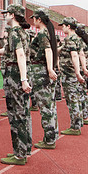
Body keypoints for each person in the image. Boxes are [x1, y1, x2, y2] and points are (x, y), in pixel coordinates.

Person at [0, 4, 32, 166]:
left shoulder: (14, 32)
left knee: (16, 114)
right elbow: (11, 50)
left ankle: (19, 153)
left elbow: (20, 54)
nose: (5, 16)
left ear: (12, 15)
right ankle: (24, 147)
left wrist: (23, 79)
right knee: (23, 112)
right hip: (18, 74)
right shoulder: (22, 32)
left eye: (7, 14)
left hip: (15, 75)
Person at [29, 9, 59, 150]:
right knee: (50, 106)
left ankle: (49, 139)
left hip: (41, 72)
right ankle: (52, 135)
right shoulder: (48, 32)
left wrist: (49, 69)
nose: (33, 21)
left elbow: (48, 50)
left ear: (39, 19)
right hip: (45, 71)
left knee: (45, 107)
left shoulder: (42, 33)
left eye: (34, 19)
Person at [58, 18, 88, 136]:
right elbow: (81, 54)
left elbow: (75, 55)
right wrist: (83, 68)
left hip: (69, 73)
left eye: (64, 26)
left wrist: (77, 73)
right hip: (72, 72)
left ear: (69, 27)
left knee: (72, 99)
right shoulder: (77, 39)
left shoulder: (70, 39)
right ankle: (78, 122)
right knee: (76, 97)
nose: (62, 28)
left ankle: (75, 127)